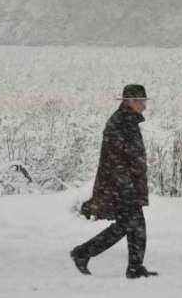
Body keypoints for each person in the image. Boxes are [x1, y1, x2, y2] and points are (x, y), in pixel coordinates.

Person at [71, 84, 158, 279]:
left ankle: (134, 267)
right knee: (127, 225)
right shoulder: (119, 122)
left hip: (127, 186)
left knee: (135, 226)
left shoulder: (128, 121)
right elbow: (114, 160)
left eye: (144, 102)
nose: (144, 106)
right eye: (141, 102)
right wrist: (126, 186)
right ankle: (83, 252)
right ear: (129, 102)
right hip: (121, 187)